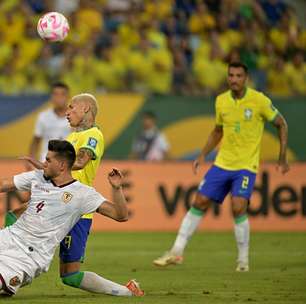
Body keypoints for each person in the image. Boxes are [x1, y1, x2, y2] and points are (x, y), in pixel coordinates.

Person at [153, 62, 289, 271]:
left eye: (238, 76)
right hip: (222, 163)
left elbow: (281, 123)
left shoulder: (259, 100)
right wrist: (202, 154)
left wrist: (282, 156)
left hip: (246, 165)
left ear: (246, 78)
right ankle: (176, 251)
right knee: (199, 201)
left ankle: (243, 261)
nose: (234, 79)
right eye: (231, 75)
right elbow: (218, 131)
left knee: (238, 207)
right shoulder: (221, 101)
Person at [0, 140, 144, 296]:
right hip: (7, 238)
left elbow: (120, 215)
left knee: (70, 275)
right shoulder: (38, 177)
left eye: (48, 160)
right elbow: (3, 184)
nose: (43, 164)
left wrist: (116, 189)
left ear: (62, 165)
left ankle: (127, 292)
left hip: (28, 256)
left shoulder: (82, 194)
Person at [4, 93, 107, 293]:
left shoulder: (93, 135)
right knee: (12, 216)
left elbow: (79, 163)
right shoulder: (72, 136)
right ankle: (11, 268)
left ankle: (126, 290)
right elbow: (59, 168)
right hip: (54, 199)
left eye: (71, 108)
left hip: (74, 206)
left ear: (85, 108)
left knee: (70, 276)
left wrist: (43, 167)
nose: (67, 113)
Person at [4, 82, 71, 227]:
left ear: (67, 97)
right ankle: (15, 222)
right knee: (38, 199)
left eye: (61, 94)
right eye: (55, 94)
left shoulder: (72, 118)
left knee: (47, 202)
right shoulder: (44, 117)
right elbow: (36, 140)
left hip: (65, 168)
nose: (58, 98)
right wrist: (30, 162)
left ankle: (16, 217)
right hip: (45, 165)